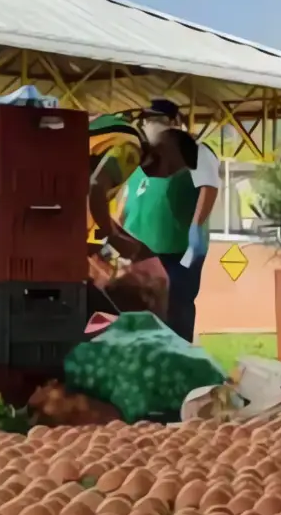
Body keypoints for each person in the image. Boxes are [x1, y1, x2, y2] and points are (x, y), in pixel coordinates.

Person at [87, 117, 197, 326]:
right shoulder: (132, 148)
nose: (163, 175)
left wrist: (122, 240)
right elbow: (96, 189)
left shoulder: (124, 139)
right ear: (166, 147)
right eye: (171, 167)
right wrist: (113, 236)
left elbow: (92, 202)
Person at [142, 100, 224, 341]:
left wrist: (196, 227)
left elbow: (208, 186)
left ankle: (180, 362)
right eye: (148, 120)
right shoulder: (144, 155)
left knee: (176, 308)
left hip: (179, 251)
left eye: (158, 121)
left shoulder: (195, 150)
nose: (152, 126)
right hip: (145, 249)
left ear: (176, 123)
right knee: (147, 311)